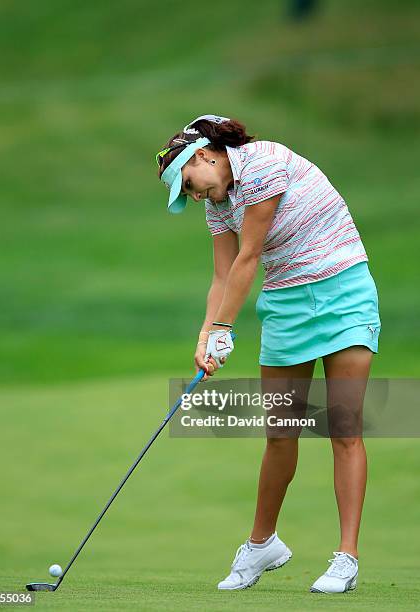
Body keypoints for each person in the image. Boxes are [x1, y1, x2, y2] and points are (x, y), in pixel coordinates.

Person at [155, 114, 381, 594]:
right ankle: (263, 545)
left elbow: (249, 256)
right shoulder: (218, 203)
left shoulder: (264, 164)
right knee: (280, 432)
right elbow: (223, 276)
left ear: (204, 157)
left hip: (343, 292)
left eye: (191, 185)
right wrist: (205, 337)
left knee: (344, 428)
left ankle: (346, 557)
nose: (196, 196)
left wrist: (224, 328)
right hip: (286, 306)